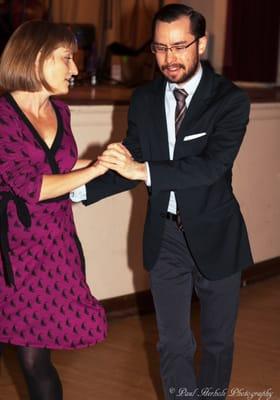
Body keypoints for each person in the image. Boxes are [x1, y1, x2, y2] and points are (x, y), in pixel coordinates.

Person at [73, 3, 253, 399]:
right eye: (159, 48)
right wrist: (77, 186)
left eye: (179, 46)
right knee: (173, 344)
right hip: (166, 237)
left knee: (218, 344)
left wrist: (144, 171)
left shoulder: (230, 101)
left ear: (201, 44)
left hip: (217, 235)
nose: (169, 59)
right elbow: (130, 157)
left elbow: (211, 167)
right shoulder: (144, 100)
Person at [0, 20, 108, 400]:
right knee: (26, 357)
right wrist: (94, 170)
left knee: (37, 360)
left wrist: (105, 162)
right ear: (37, 59)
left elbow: (60, 172)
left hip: (54, 245)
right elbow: (33, 185)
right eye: (67, 58)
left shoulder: (62, 112)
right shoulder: (1, 116)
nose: (75, 69)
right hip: (10, 252)